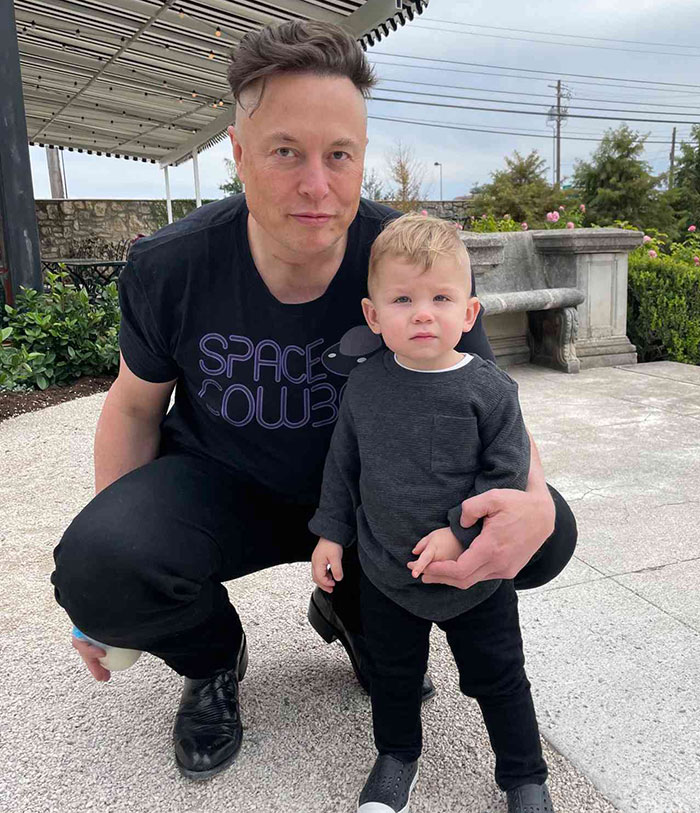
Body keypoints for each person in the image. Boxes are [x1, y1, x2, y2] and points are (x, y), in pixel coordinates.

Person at [50, 20, 576, 785]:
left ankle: (354, 610)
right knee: (99, 566)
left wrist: (529, 500)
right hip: (220, 485)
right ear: (238, 152)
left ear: (362, 154)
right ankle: (213, 658)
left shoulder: (404, 257)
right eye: (285, 151)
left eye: (339, 155)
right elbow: (134, 407)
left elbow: (484, 395)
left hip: (369, 503)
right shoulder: (173, 266)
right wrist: (111, 579)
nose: (316, 185)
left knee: (548, 532)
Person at [310, 213, 554, 813]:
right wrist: (331, 536)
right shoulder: (364, 388)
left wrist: (456, 534)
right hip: (388, 574)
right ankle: (396, 758)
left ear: (469, 314)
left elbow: (506, 476)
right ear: (373, 315)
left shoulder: (492, 390)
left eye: (441, 297)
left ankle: (523, 777)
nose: (423, 312)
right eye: (403, 298)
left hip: (477, 577)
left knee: (499, 679)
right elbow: (343, 469)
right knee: (392, 679)